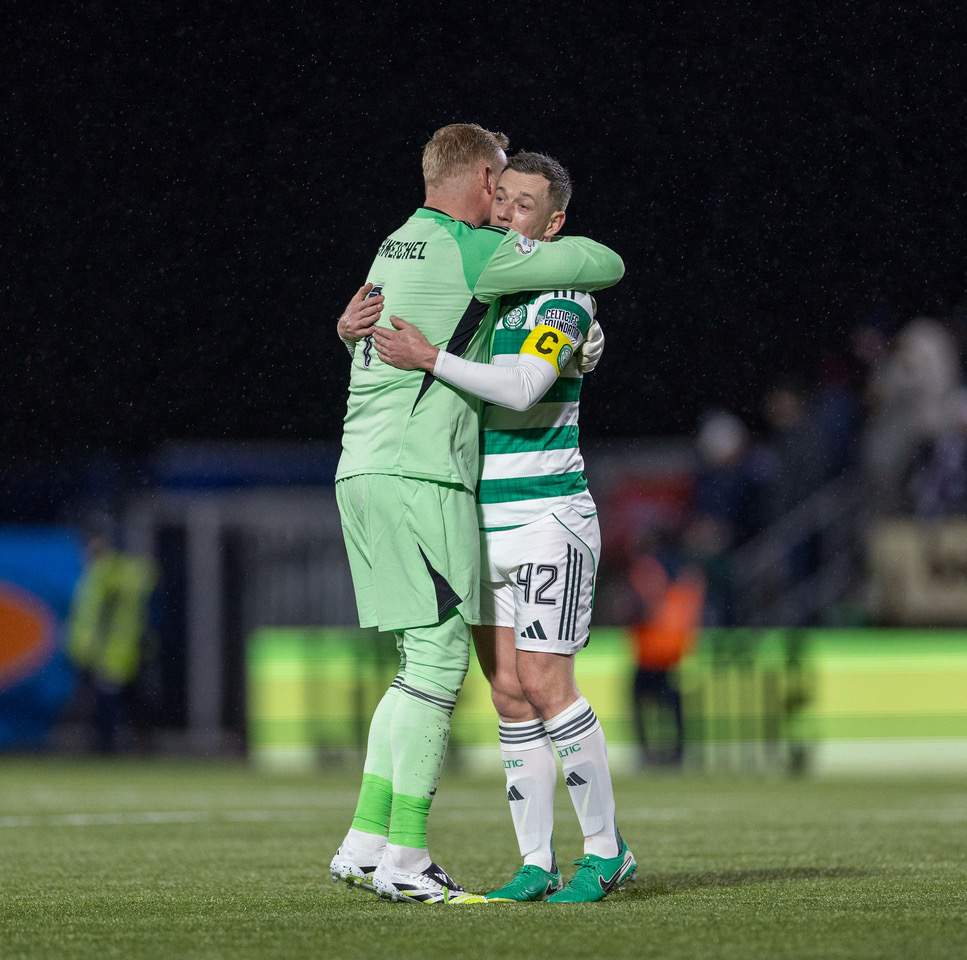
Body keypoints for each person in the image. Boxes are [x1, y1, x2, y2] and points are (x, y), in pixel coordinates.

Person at [329, 126, 625, 905]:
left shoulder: (554, 293)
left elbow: (524, 386)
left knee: (542, 681)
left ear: (551, 223)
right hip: (469, 506)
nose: (503, 211)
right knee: (502, 692)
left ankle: (605, 849)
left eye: (522, 203)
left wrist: (428, 359)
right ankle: (533, 861)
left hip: (545, 511)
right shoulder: (489, 285)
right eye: (498, 195)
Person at [67, 532, 158, 754]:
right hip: (119, 651)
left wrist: (87, 648)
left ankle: (110, 748)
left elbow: (96, 618)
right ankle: (133, 743)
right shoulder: (106, 574)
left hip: (110, 652)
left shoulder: (107, 574)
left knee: (110, 704)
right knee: (127, 702)